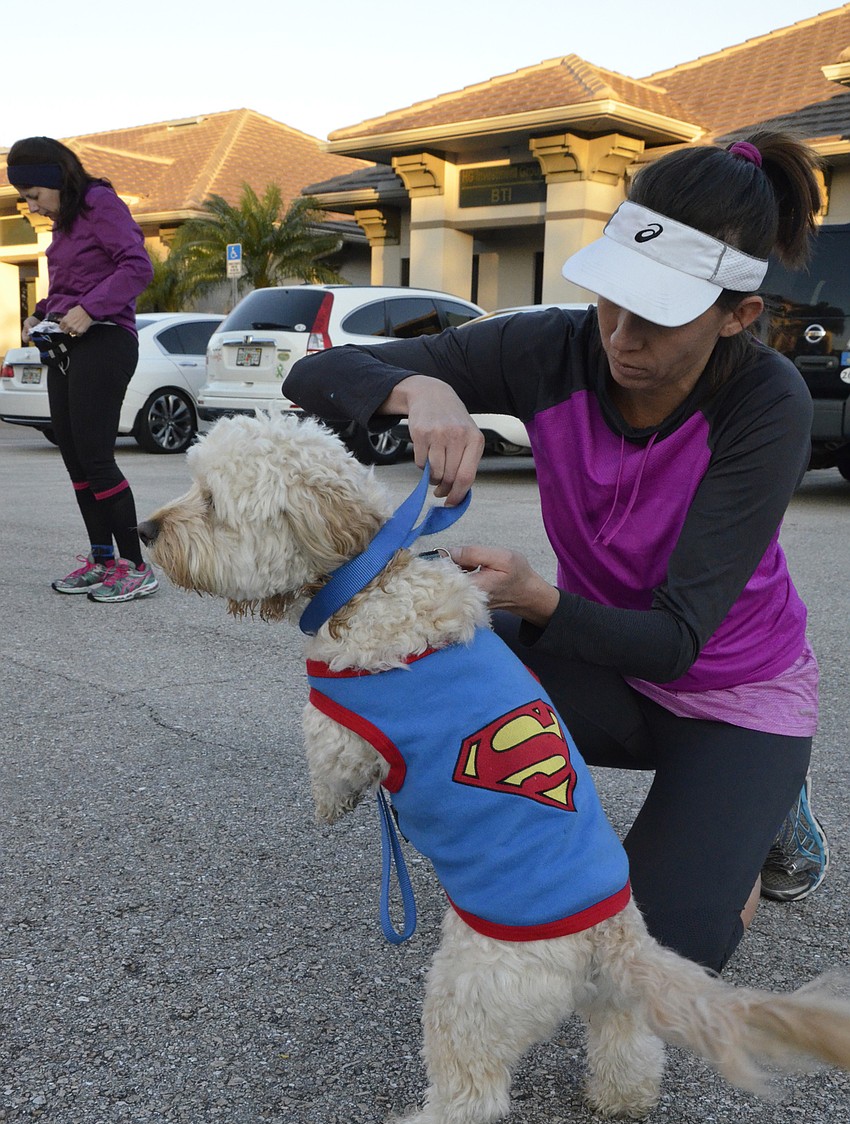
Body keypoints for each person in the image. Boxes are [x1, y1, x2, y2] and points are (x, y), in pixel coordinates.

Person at [282, 133, 831, 975]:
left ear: (737, 316)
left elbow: (678, 639)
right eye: (612, 296)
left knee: (651, 962)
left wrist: (536, 598)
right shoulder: (554, 348)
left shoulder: (766, 402)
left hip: (732, 693)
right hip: (607, 667)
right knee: (418, 655)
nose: (621, 334)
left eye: (661, 314)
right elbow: (318, 375)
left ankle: (767, 805)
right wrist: (419, 387)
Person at [7, 136, 158, 603]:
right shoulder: (67, 222)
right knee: (75, 459)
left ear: (56, 180)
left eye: (35, 195)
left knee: (96, 457)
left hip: (107, 339)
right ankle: (102, 561)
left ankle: (136, 566)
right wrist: (41, 311)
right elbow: (71, 286)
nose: (34, 206)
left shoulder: (99, 202)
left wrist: (91, 310)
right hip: (68, 346)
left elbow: (137, 267)